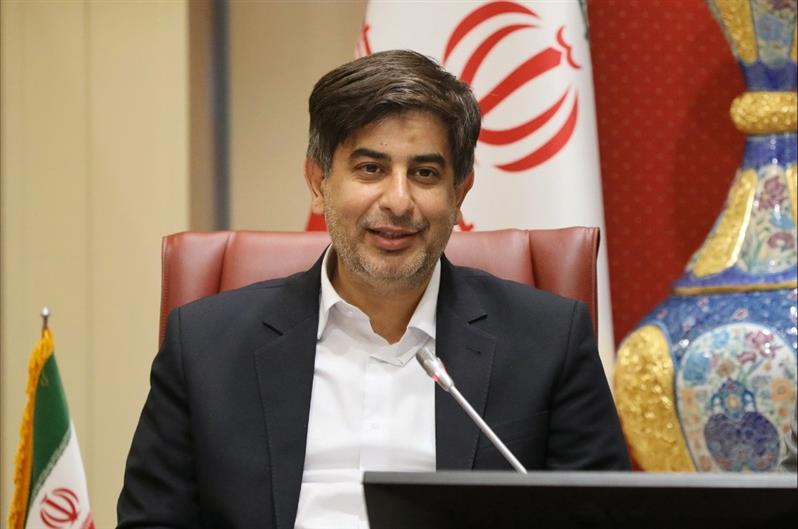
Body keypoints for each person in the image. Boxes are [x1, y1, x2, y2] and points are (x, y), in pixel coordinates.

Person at [117, 49, 630, 529]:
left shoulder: (549, 340)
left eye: (424, 173)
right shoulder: (205, 345)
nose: (398, 201)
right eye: (370, 169)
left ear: (459, 193)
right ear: (318, 183)